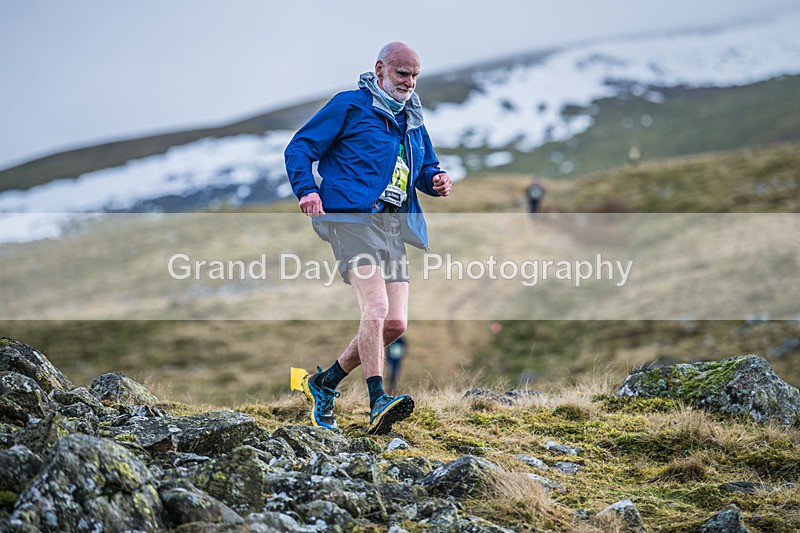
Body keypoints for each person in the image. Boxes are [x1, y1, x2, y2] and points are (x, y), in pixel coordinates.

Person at [284, 42, 452, 434]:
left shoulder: (412, 118)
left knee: (394, 323)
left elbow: (425, 167)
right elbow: (300, 147)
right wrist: (306, 190)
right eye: (401, 74)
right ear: (380, 69)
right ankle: (378, 400)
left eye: (414, 76)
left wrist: (436, 180)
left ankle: (322, 384)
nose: (409, 83)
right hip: (351, 221)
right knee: (375, 309)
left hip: (391, 225)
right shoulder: (349, 106)